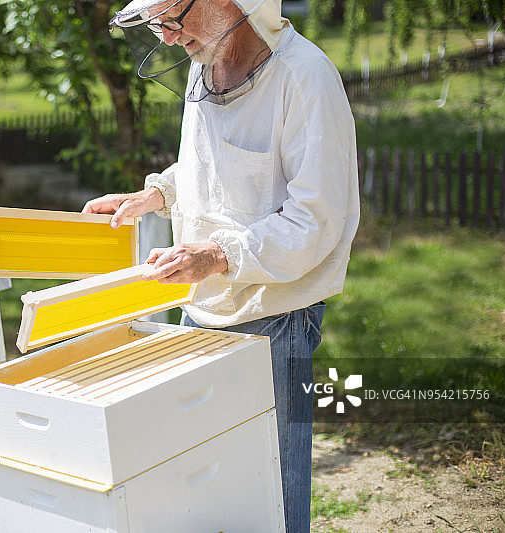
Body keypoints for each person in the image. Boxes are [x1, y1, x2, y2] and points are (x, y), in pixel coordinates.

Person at [82, 0, 360, 530]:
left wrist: (215, 255)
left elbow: (315, 221)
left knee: (270, 494)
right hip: (201, 307)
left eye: (171, 18)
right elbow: (212, 163)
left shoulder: (305, 79)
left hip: (275, 320)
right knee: (212, 490)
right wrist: (156, 194)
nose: (166, 37)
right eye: (155, 24)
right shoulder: (204, 63)